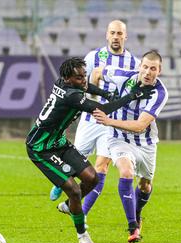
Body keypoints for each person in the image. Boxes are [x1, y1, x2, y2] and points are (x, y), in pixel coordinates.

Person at [26, 57, 153, 243]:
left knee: (92, 179)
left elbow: (87, 88)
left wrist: (106, 93)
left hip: (58, 142)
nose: (84, 80)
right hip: (40, 148)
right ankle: (82, 235)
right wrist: (132, 96)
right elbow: (101, 110)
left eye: (84, 75)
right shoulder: (71, 96)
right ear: (68, 79)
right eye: (79, 77)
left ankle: (70, 206)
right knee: (74, 190)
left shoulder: (65, 82)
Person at [50, 20, 140, 220]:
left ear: (126, 36)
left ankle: (82, 212)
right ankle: (59, 182)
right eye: (112, 33)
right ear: (107, 35)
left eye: (119, 33)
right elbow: (81, 83)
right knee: (75, 159)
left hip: (111, 123)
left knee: (101, 168)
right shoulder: (93, 57)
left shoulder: (135, 63)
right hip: (90, 118)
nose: (116, 36)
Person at [91, 50, 168, 243]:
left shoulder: (160, 93)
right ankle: (133, 227)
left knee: (144, 185)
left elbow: (141, 125)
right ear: (139, 66)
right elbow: (97, 72)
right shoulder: (124, 76)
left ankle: (138, 212)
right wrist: (94, 99)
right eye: (145, 67)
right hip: (119, 139)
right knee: (126, 172)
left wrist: (108, 121)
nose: (148, 72)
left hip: (146, 143)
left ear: (159, 70)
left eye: (153, 68)